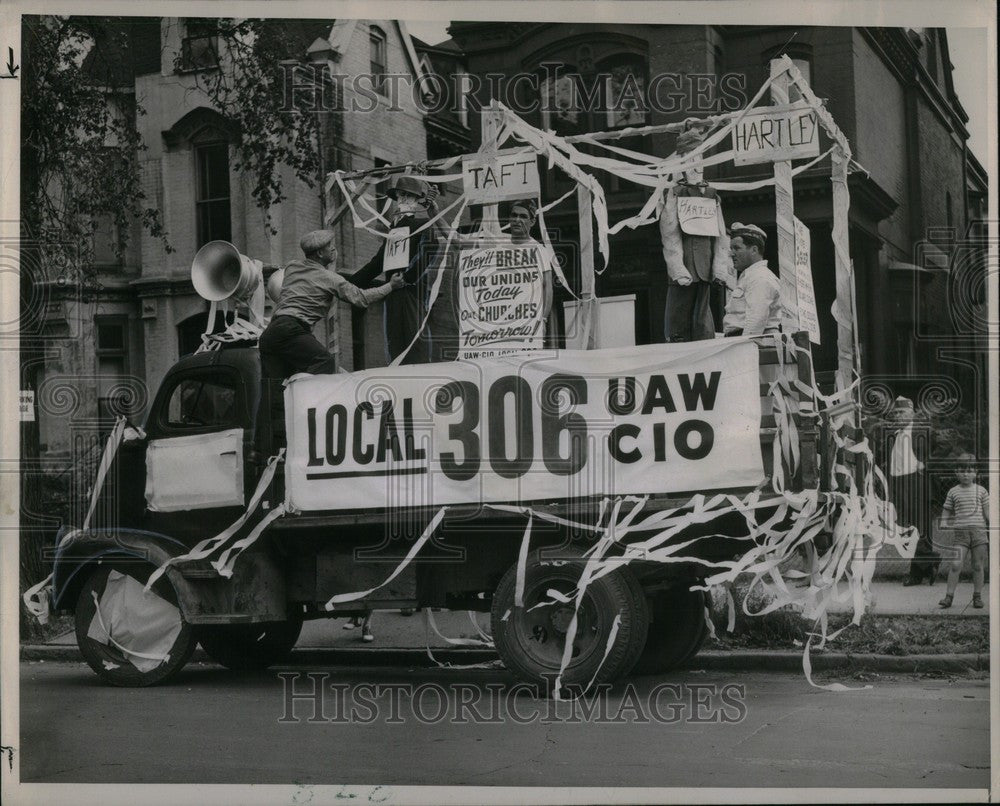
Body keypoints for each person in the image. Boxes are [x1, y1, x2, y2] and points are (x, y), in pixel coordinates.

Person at [259, 229, 402, 380]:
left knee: (275, 389)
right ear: (320, 253)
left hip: (271, 333)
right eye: (330, 245)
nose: (334, 248)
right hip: (292, 329)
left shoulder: (291, 267)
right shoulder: (331, 279)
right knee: (324, 363)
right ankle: (311, 400)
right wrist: (391, 286)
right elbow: (361, 298)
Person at [351, 175, 444, 364]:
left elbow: (431, 247)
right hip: (392, 292)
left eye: (409, 196)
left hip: (411, 292)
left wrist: (407, 277)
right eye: (400, 195)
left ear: (418, 200)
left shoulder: (420, 225)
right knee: (395, 344)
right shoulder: (393, 231)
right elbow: (377, 263)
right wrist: (346, 284)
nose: (403, 200)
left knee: (415, 342)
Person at [659, 125, 734, 342]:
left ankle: (704, 343)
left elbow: (721, 234)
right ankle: (677, 344)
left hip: (705, 266)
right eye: (691, 159)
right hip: (685, 268)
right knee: (678, 316)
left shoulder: (711, 194)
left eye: (699, 158)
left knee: (703, 319)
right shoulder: (675, 193)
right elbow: (670, 233)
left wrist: (720, 267)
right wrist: (677, 268)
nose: (696, 166)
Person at [937, 453, 989, 609]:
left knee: (978, 566)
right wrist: (944, 521)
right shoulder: (953, 491)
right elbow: (946, 509)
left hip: (979, 533)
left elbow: (988, 512)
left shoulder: (981, 491)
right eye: (962, 470)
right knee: (955, 564)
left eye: (970, 470)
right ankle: (948, 597)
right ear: (956, 472)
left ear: (976, 473)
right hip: (961, 535)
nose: (966, 474)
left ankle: (977, 597)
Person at [722, 223, 781, 337]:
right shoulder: (750, 276)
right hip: (747, 341)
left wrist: (745, 350)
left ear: (754, 250)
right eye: (731, 249)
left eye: (737, 248)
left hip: (752, 343)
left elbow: (756, 320)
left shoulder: (760, 277)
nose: (731, 253)